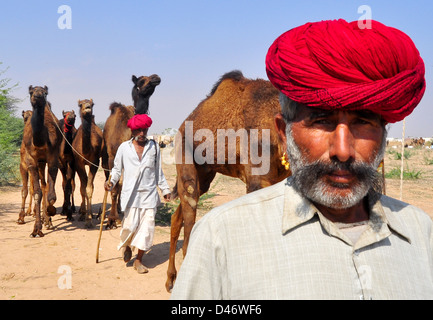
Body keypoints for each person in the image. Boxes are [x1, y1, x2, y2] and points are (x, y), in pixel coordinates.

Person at [170, 19, 433, 299]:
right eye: (321, 121)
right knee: (189, 206)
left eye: (363, 122)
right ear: (283, 134)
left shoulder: (422, 234)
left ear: (382, 133)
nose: (342, 150)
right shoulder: (219, 236)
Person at [104, 114, 171, 274]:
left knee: (147, 229)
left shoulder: (154, 147)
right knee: (129, 226)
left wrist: (165, 189)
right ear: (133, 131)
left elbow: (158, 171)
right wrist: (111, 181)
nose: (142, 133)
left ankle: (139, 260)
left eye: (145, 129)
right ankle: (127, 245)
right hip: (130, 196)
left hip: (148, 194)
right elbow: (116, 169)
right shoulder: (123, 148)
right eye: (139, 130)